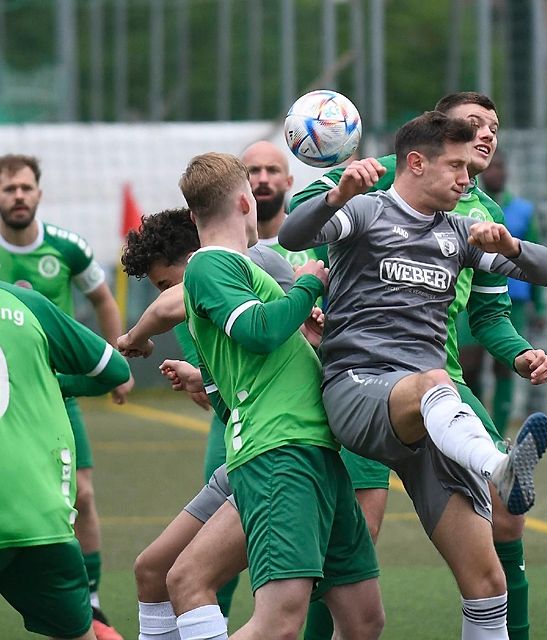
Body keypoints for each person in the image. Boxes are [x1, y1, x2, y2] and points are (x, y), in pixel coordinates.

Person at [280, 110, 547, 639]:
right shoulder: (365, 212)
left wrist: (512, 248)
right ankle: (497, 466)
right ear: (415, 162)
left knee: (487, 582)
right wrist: (337, 195)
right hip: (357, 391)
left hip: (428, 413)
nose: (466, 177)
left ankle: (494, 466)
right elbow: (295, 237)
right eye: (455, 165)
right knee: (435, 386)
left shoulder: (461, 232)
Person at [133, 152, 383, 640]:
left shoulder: (246, 269)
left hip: (316, 451)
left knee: (363, 619)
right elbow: (259, 331)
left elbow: (263, 348)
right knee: (278, 623)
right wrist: (309, 285)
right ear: (247, 201)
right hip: (278, 450)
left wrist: (312, 333)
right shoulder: (209, 265)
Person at [0, 168, 131, 640]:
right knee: (77, 633)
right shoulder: (26, 305)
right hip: (45, 520)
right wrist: (47, 378)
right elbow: (115, 371)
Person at [120, 207, 295, 630]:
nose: (166, 293)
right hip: (245, 451)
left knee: (199, 583)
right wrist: (203, 377)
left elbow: (170, 306)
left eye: (165, 282)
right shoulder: (210, 310)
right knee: (153, 571)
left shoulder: (247, 264)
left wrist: (132, 338)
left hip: (283, 453)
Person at [475, 152, 547, 434]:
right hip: (476, 298)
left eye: (501, 167)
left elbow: (534, 258)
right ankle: (475, 426)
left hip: (514, 299)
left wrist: (539, 307)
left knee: (505, 365)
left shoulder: (523, 210)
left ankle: (500, 430)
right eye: (492, 167)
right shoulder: (469, 205)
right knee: (468, 364)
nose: (496, 172)